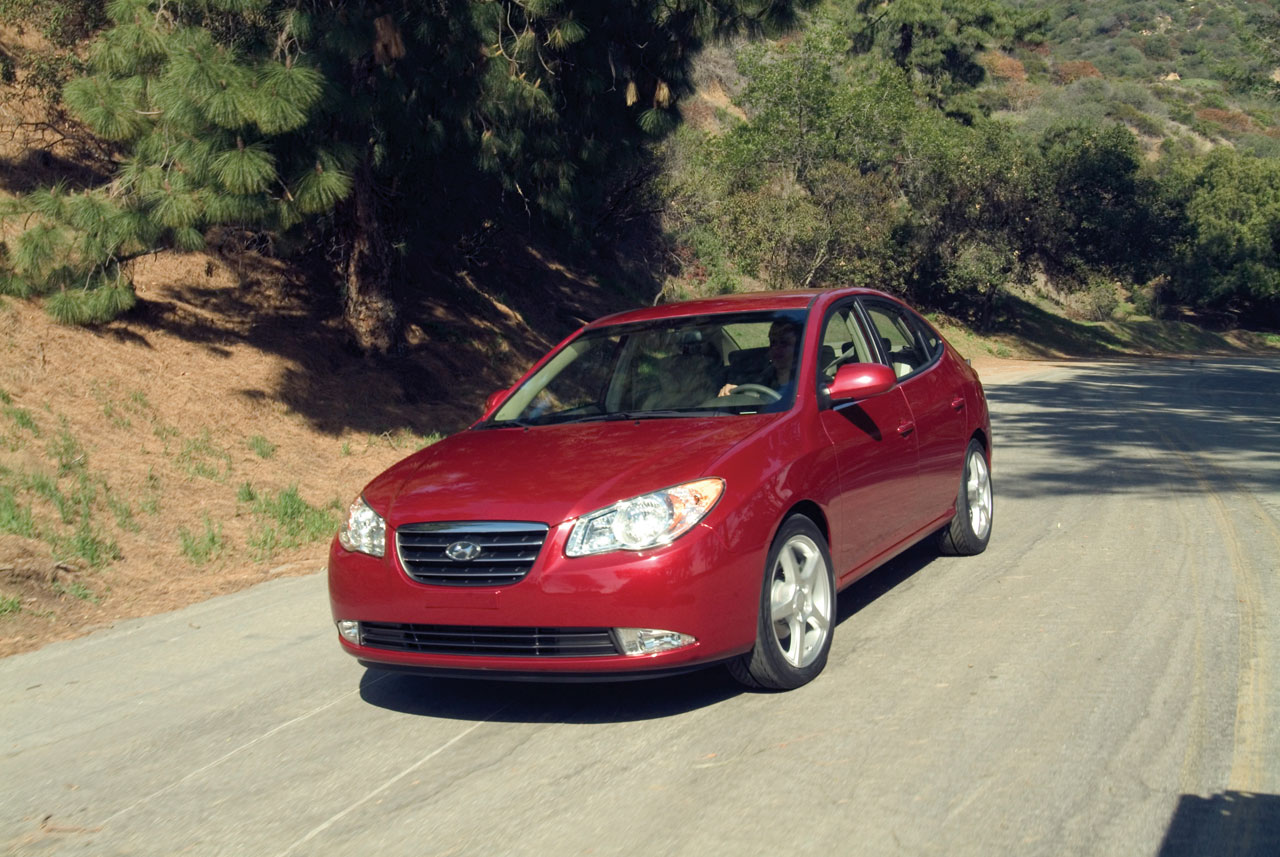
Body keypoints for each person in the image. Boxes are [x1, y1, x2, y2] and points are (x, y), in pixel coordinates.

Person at [718, 319, 799, 398]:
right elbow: (744, 388)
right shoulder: (761, 376)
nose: (775, 348)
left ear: (798, 347)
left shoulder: (802, 381)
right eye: (773, 342)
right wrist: (730, 390)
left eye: (784, 343)